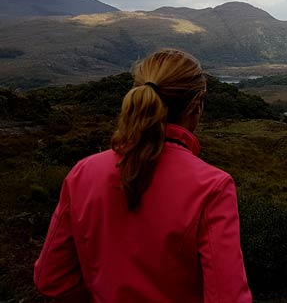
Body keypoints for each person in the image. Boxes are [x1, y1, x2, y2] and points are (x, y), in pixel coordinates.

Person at [34, 48, 252, 303]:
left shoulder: (83, 172)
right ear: (196, 106)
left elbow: (51, 279)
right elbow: (228, 297)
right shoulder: (212, 186)